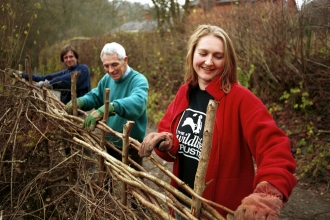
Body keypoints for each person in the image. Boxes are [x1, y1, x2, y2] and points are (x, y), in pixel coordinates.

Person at [138, 25, 296, 219]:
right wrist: (164, 142)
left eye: (218, 56)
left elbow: (274, 147)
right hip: (181, 203)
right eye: (203, 53)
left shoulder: (241, 99)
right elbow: (168, 134)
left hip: (219, 211)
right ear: (192, 55)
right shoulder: (184, 93)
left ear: (227, 60)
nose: (209, 61)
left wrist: (267, 194)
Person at [65, 42, 149, 170]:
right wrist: (80, 102)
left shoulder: (138, 80)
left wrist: (111, 107)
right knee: (106, 181)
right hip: (109, 142)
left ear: (125, 60)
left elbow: (137, 102)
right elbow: (95, 95)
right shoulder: (107, 79)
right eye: (106, 66)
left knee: (131, 183)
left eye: (115, 64)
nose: (111, 70)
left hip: (130, 146)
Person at [22, 44, 91, 104]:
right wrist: (23, 75)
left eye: (71, 56)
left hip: (81, 112)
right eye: (65, 57)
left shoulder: (83, 69)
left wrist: (50, 83)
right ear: (63, 60)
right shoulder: (64, 72)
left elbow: (67, 79)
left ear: (76, 57)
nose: (68, 59)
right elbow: (46, 77)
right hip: (66, 112)